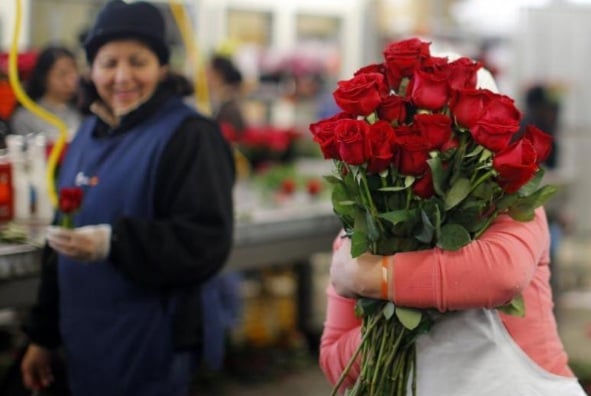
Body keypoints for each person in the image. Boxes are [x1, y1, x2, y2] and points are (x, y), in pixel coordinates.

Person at [19, 1, 235, 396]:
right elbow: (60, 242)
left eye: (138, 61)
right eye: (108, 62)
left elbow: (207, 241)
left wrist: (113, 241)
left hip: (155, 345)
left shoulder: (190, 135)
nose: (122, 76)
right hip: (85, 342)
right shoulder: (85, 135)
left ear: (162, 68)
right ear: (91, 69)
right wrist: (42, 336)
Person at [9, 45, 82, 141]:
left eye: (73, 74)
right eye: (61, 75)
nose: (70, 82)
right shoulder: (26, 117)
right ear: (43, 77)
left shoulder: (83, 112)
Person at [206, 55, 247, 139]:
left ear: (217, 75)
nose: (205, 77)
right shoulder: (221, 101)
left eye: (208, 72)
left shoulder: (229, 104)